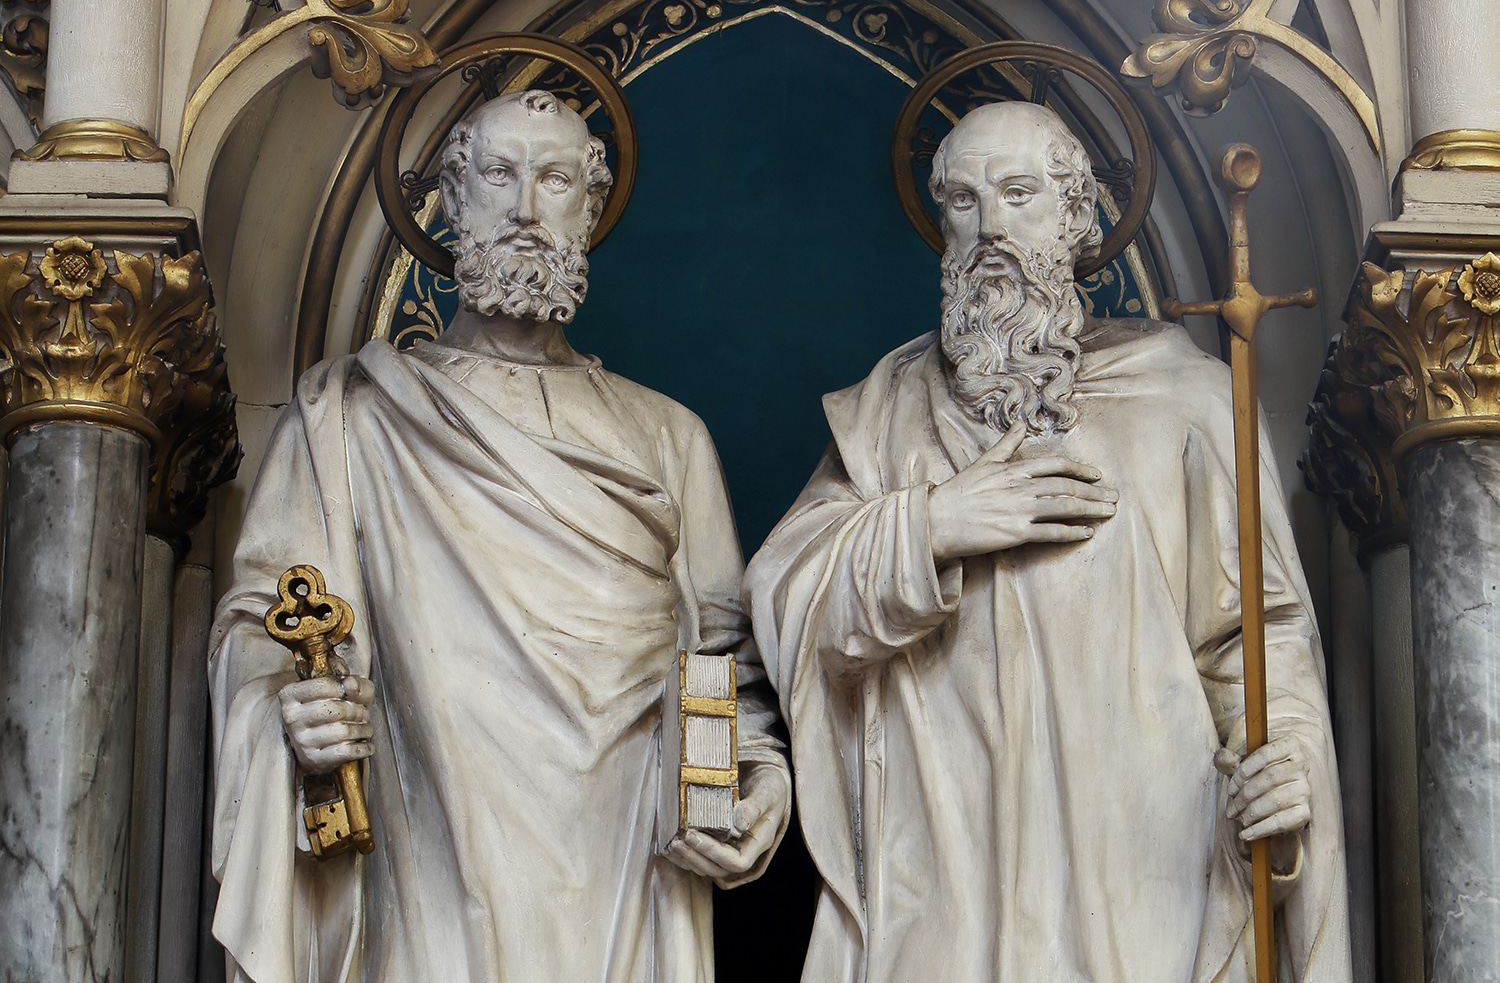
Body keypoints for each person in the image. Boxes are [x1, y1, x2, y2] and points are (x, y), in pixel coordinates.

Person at [743, 101, 1350, 983]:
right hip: (945, 866)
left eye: (1018, 192)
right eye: (960, 200)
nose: (988, 227)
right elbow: (781, 600)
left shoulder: (1187, 402)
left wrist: (1282, 768)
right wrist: (932, 525)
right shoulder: (888, 414)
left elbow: (1258, 638)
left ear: (1076, 218)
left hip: (1140, 864)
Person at [210, 89, 791, 983]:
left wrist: (760, 778)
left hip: (626, 865)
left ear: (589, 209)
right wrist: (289, 717)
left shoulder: (669, 436)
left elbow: (721, 664)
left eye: (555, 178)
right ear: (452, 197)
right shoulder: (349, 420)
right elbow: (267, 626)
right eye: (499, 174)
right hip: (428, 849)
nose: (526, 208)